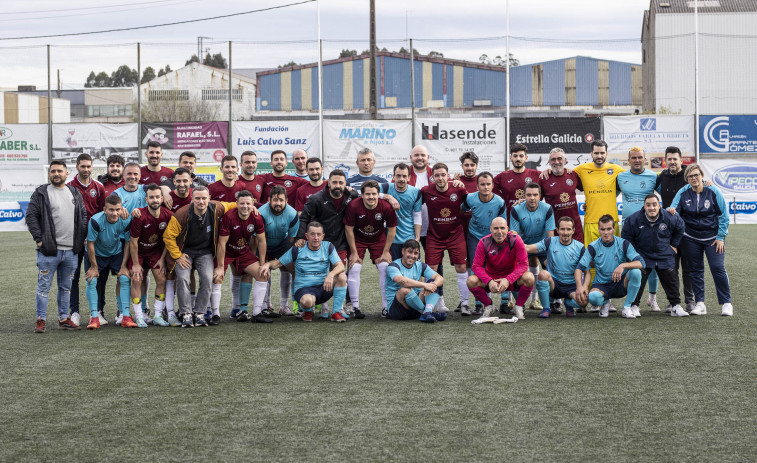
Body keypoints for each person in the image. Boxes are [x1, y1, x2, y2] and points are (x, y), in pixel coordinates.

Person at [27, 160, 87, 333]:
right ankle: (41, 320)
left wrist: (80, 238)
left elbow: (83, 216)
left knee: (66, 287)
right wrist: (39, 240)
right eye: (53, 171)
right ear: (49, 174)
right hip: (48, 251)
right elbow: (31, 217)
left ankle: (63, 319)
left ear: (66, 173)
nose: (56, 174)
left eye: (59, 171)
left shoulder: (74, 192)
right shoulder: (41, 193)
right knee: (44, 287)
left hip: (70, 251)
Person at [162, 186, 236, 327]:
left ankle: (200, 313)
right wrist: (177, 255)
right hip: (185, 252)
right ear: (192, 199)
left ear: (209, 198)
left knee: (208, 278)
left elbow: (236, 204)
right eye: (197, 198)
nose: (201, 201)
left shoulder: (216, 207)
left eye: (204, 198)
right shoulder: (182, 214)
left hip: (205, 252)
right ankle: (186, 314)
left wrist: (255, 207)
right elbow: (168, 236)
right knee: (183, 278)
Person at [669, 163, 733, 316]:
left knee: (717, 268)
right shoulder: (683, 192)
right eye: (690, 176)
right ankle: (700, 303)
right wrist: (670, 211)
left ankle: (726, 303)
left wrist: (720, 237)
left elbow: (724, 215)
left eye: (696, 175)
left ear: (702, 176)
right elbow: (673, 210)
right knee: (695, 270)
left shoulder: (713, 191)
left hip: (713, 238)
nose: (694, 178)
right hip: (691, 237)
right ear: (687, 179)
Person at [296, 170, 358, 317]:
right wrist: (301, 237)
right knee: (321, 274)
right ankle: (323, 307)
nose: (338, 185)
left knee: (341, 274)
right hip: (320, 244)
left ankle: (339, 308)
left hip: (340, 243)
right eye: (334, 182)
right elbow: (304, 218)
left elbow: (368, 194)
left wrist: (384, 196)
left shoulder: (351, 196)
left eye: (341, 182)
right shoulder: (316, 199)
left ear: (345, 184)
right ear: (328, 183)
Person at [260, 222, 349, 322]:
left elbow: (340, 266)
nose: (316, 237)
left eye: (319, 234)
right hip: (304, 290)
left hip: (323, 287)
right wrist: (267, 265)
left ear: (323, 236)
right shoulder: (298, 249)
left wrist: (330, 275)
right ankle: (307, 311)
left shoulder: (328, 246)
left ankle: (336, 312)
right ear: (306, 236)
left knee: (342, 277)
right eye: (312, 234)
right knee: (307, 301)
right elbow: (278, 263)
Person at [622, 194, 689, 317]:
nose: (651, 208)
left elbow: (680, 227)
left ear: (660, 206)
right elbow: (626, 236)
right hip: (643, 255)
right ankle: (634, 305)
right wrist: (634, 254)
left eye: (654, 205)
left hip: (664, 254)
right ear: (644, 206)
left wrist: (673, 244)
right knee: (638, 276)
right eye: (648, 205)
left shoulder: (669, 217)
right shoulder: (633, 219)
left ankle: (675, 306)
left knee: (671, 277)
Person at [420, 162, 471, 313]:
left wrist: (463, 186)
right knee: (431, 270)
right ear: (432, 177)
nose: (440, 178)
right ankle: (438, 303)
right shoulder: (426, 191)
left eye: (443, 175)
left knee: (461, 267)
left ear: (448, 176)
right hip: (435, 237)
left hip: (456, 235)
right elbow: (414, 205)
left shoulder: (459, 189)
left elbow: (470, 204)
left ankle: (465, 303)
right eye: (437, 175)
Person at [344, 180, 398, 318]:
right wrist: (354, 253)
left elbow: (392, 229)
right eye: (367, 194)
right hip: (358, 239)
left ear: (378, 194)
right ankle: (355, 307)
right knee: (354, 267)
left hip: (378, 239)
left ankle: (387, 307)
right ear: (362, 195)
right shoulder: (354, 205)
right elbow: (348, 229)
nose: (371, 197)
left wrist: (386, 251)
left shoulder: (386, 206)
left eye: (374, 194)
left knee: (385, 267)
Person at [616, 146, 661, 311]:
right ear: (628, 160)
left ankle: (653, 298)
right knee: (630, 264)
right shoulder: (620, 177)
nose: (637, 160)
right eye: (633, 158)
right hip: (628, 228)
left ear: (645, 159)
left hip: (650, 226)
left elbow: (669, 195)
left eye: (640, 157)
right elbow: (607, 195)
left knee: (652, 263)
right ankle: (632, 302)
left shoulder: (654, 177)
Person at [214, 190, 270, 323]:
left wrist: (262, 263)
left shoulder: (257, 217)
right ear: (237, 204)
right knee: (217, 276)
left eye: (248, 203)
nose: (245, 206)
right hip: (227, 252)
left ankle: (256, 313)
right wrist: (220, 267)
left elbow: (262, 240)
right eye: (242, 203)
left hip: (243, 252)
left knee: (263, 274)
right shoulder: (229, 217)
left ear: (253, 204)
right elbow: (222, 243)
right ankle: (215, 314)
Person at [575, 215, 644, 319]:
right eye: (602, 229)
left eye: (609, 229)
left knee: (636, 272)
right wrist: (581, 286)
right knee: (593, 297)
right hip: (602, 284)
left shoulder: (624, 243)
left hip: (620, 283)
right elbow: (579, 268)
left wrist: (623, 265)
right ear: (598, 229)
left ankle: (627, 307)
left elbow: (642, 263)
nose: (606, 232)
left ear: (614, 229)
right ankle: (605, 303)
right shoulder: (592, 246)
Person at [466, 217, 535, 320]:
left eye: (502, 228)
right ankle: (489, 306)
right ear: (490, 229)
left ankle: (519, 307)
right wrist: (489, 281)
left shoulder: (516, 240)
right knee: (471, 281)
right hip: (492, 279)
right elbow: (476, 266)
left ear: (507, 229)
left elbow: (524, 264)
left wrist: (508, 280)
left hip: (511, 280)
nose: (499, 232)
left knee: (529, 277)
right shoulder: (484, 242)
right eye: (496, 228)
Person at [84, 195, 134, 329]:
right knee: (92, 280)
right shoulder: (95, 221)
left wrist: (123, 266)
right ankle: (94, 318)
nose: (115, 213)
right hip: (97, 254)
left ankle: (125, 316)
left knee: (124, 278)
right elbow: (90, 244)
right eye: (111, 210)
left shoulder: (125, 219)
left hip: (116, 252)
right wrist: (94, 267)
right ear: (105, 209)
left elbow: (128, 242)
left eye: (118, 209)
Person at [67, 153, 106, 326]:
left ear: (92, 167)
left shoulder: (98, 187)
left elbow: (102, 213)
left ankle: (96, 312)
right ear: (76, 167)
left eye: (88, 166)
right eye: (82, 166)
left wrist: (94, 236)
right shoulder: (68, 187)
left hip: (93, 240)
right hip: (74, 240)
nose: (86, 169)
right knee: (73, 276)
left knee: (94, 275)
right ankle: (74, 312)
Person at [460, 171, 506, 315]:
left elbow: (503, 224)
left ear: (492, 185)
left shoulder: (499, 202)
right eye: (482, 184)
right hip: (474, 236)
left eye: (488, 184)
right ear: (477, 186)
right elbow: (462, 209)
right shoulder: (470, 198)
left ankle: (504, 302)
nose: (485, 187)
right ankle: (479, 304)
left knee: (496, 266)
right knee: (476, 267)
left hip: (493, 237)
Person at [655, 146, 695, 312]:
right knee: (671, 267)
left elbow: (700, 185)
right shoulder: (662, 176)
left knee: (688, 267)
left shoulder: (688, 174)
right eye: (669, 159)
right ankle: (674, 301)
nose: (672, 162)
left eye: (675, 159)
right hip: (667, 231)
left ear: (681, 160)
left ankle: (690, 301)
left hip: (687, 229)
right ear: (665, 160)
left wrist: (707, 182)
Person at [127, 184, 172, 327]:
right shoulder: (139, 216)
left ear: (162, 198)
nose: (155, 200)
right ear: (146, 199)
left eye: (157, 197)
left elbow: (168, 240)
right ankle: (139, 316)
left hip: (155, 252)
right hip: (138, 253)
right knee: (136, 279)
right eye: (151, 197)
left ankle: (158, 315)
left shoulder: (168, 216)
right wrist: (135, 264)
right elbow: (133, 242)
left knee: (161, 279)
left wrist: (162, 259)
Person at [524, 217, 588, 317]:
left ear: (573, 230)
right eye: (562, 229)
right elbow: (528, 248)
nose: (565, 232)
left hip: (572, 286)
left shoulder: (580, 247)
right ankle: (546, 309)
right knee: (543, 274)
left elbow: (586, 271)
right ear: (557, 230)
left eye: (568, 229)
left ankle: (569, 303)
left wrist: (583, 287)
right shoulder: (550, 242)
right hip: (555, 284)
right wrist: (511, 241)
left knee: (584, 302)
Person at [509, 182, 556, 313]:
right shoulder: (516, 209)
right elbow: (514, 236)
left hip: (541, 245)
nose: (532, 198)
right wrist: (524, 248)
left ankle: (553, 301)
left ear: (540, 196)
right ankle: (520, 304)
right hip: (522, 245)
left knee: (552, 265)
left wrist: (542, 251)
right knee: (513, 270)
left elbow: (550, 237)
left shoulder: (547, 208)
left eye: (535, 195)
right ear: (524, 196)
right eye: (529, 195)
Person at [570, 140, 625, 244]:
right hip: (591, 222)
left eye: (602, 153)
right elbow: (564, 174)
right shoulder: (582, 169)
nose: (599, 156)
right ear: (591, 154)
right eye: (596, 153)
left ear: (606, 154)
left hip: (611, 222)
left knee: (614, 255)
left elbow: (633, 175)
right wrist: (548, 171)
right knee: (591, 256)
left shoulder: (616, 169)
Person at [257, 186, 300, 318]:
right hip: (264, 243)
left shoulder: (292, 214)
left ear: (286, 200)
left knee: (291, 269)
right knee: (264, 270)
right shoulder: (261, 213)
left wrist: (288, 257)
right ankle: (265, 305)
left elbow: (292, 239)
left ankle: (285, 305)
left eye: (281, 200)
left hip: (282, 244)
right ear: (269, 200)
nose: (278, 203)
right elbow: (259, 238)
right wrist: (263, 261)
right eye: (275, 200)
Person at [385, 239, 446, 323]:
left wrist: (433, 284)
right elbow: (402, 281)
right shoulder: (393, 266)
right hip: (398, 310)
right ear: (403, 251)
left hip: (415, 307)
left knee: (434, 282)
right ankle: (427, 312)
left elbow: (440, 278)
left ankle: (427, 312)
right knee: (404, 290)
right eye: (409, 252)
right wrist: (424, 285)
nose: (412, 255)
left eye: (416, 253)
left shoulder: (420, 265)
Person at [538, 147, 584, 243]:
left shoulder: (573, 174)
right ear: (549, 162)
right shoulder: (544, 178)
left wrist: (589, 203)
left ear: (565, 160)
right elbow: (536, 200)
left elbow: (587, 188)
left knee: (578, 255)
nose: (556, 162)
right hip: (555, 228)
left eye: (559, 159)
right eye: (553, 159)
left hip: (575, 228)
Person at [381, 163, 422, 261]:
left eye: (404, 176)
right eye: (398, 176)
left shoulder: (416, 192)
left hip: (410, 237)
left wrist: (417, 237)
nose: (401, 179)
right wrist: (388, 196)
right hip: (392, 239)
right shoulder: (386, 187)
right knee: (393, 269)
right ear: (393, 177)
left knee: (415, 269)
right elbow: (365, 191)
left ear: (409, 178)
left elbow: (417, 215)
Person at [493, 144, 541, 216]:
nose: (518, 159)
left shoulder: (537, 174)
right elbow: (490, 186)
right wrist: (503, 201)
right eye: (515, 156)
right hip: (510, 219)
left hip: (532, 219)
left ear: (526, 158)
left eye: (521, 156)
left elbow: (551, 181)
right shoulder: (503, 176)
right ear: (510, 158)